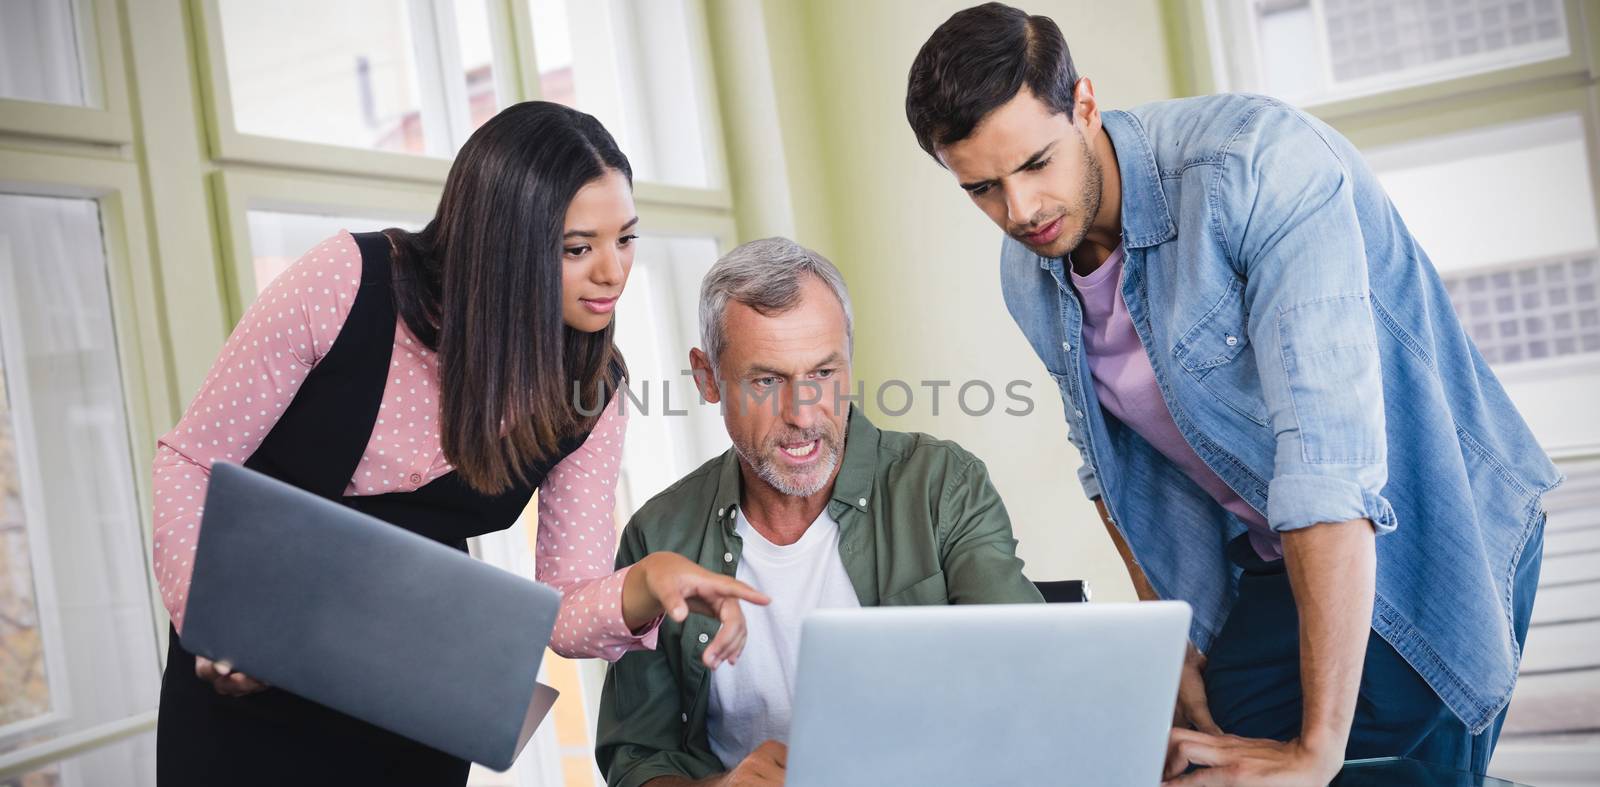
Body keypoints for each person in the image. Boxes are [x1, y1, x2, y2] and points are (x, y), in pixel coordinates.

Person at [904, 4, 1560, 784]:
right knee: (1201, 764)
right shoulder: (1029, 275)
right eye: (982, 188)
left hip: (1416, 535)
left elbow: (1327, 464)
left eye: (1037, 163)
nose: (1020, 211)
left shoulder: (1258, 165)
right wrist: (1171, 643)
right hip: (1266, 564)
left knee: (1383, 772)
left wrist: (1313, 753)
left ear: (1084, 105)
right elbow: (1111, 474)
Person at [152, 101, 766, 787]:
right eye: (577, 247)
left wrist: (647, 583)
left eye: (625, 239)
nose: (612, 272)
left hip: (415, 703)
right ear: (501, 242)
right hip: (249, 685)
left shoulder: (592, 390)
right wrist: (209, 617)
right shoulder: (345, 284)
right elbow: (191, 460)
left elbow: (564, 604)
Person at [593, 237, 1043, 787]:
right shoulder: (658, 536)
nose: (804, 416)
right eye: (767, 380)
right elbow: (635, 758)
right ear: (708, 377)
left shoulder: (943, 486)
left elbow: (1029, 681)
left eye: (824, 374)